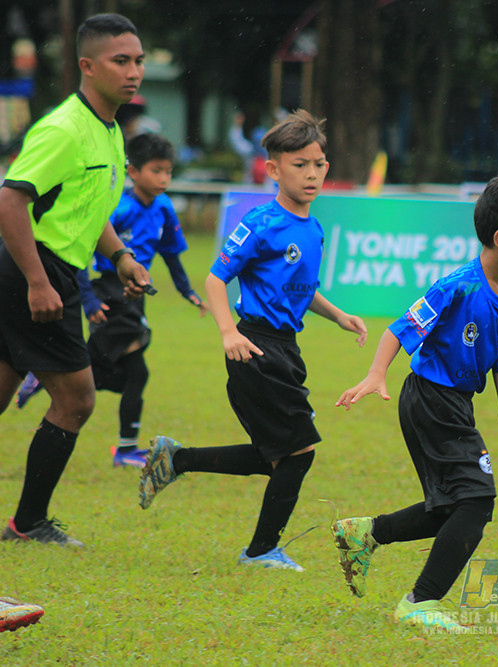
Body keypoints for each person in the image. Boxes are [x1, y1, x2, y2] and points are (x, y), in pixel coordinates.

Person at [137, 110, 368, 572]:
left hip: (287, 348)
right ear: (274, 169)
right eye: (299, 164)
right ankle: (261, 551)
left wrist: (338, 314)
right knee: (298, 453)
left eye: (318, 163)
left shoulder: (314, 228)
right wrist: (228, 332)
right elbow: (217, 278)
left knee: (275, 457)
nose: (311, 173)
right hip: (255, 346)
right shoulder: (261, 222)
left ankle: (176, 459)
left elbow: (302, 289)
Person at [332, 168, 498, 631]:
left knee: (454, 507)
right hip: (429, 399)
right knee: (477, 501)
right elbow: (399, 328)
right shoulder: (458, 286)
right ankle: (420, 602)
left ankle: (366, 533)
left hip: (455, 405)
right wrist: (375, 374)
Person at [0, 14, 151, 548]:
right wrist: (39, 282)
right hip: (35, 268)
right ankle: (28, 523)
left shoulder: (109, 130)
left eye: (137, 61)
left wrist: (123, 257)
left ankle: (26, 523)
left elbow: (90, 209)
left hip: (47, 268)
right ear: (87, 66)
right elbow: (10, 199)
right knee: (77, 400)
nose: (133, 71)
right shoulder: (65, 127)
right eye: (120, 61)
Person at [19, 134, 207, 468]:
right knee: (134, 372)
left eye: (168, 171)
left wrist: (187, 291)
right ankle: (123, 448)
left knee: (111, 372)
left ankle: (42, 374)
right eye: (157, 171)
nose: (164, 178)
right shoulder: (117, 208)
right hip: (109, 291)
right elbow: (81, 253)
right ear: (133, 171)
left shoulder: (163, 208)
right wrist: (89, 301)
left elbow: (171, 254)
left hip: (135, 291)